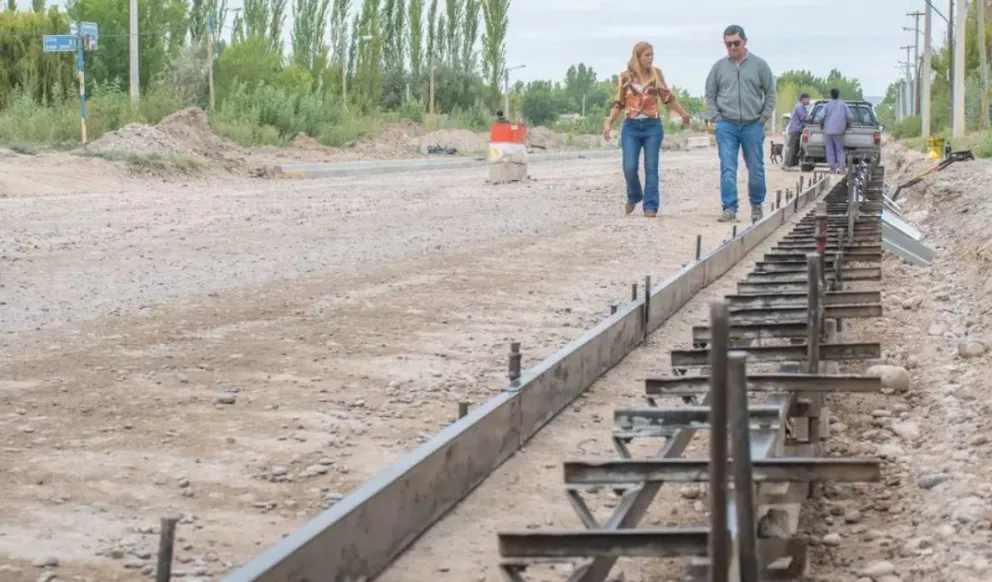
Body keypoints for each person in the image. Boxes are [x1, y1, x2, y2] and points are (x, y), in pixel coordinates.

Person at [603, 41, 692, 218]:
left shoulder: (656, 75)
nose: (650, 58)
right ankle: (635, 195)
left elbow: (668, 98)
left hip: (653, 126)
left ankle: (650, 205)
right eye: (647, 55)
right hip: (631, 127)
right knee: (629, 167)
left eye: (652, 55)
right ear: (638, 56)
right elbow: (619, 102)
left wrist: (683, 114)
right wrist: (609, 122)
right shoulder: (625, 77)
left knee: (651, 167)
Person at [704, 24, 776, 223]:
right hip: (726, 125)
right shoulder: (718, 68)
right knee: (728, 166)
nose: (732, 48)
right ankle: (729, 208)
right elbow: (710, 95)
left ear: (745, 41)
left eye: (736, 43)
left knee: (755, 168)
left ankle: (756, 206)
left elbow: (770, 94)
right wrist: (717, 118)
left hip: (753, 124)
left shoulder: (760, 65)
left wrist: (763, 118)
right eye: (728, 44)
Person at [820, 88, 853, 173]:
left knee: (829, 149)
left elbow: (821, 117)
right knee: (839, 149)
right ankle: (842, 168)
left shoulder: (827, 105)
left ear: (831, 95)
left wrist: (821, 126)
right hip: (839, 131)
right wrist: (848, 125)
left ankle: (833, 168)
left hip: (828, 131)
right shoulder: (843, 105)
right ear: (838, 95)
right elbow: (849, 117)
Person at [784, 92, 810, 169]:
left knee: (796, 147)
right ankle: (788, 164)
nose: (808, 101)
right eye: (807, 99)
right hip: (794, 129)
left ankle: (793, 164)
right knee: (792, 147)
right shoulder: (799, 107)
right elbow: (804, 117)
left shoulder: (802, 106)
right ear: (803, 99)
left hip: (797, 130)